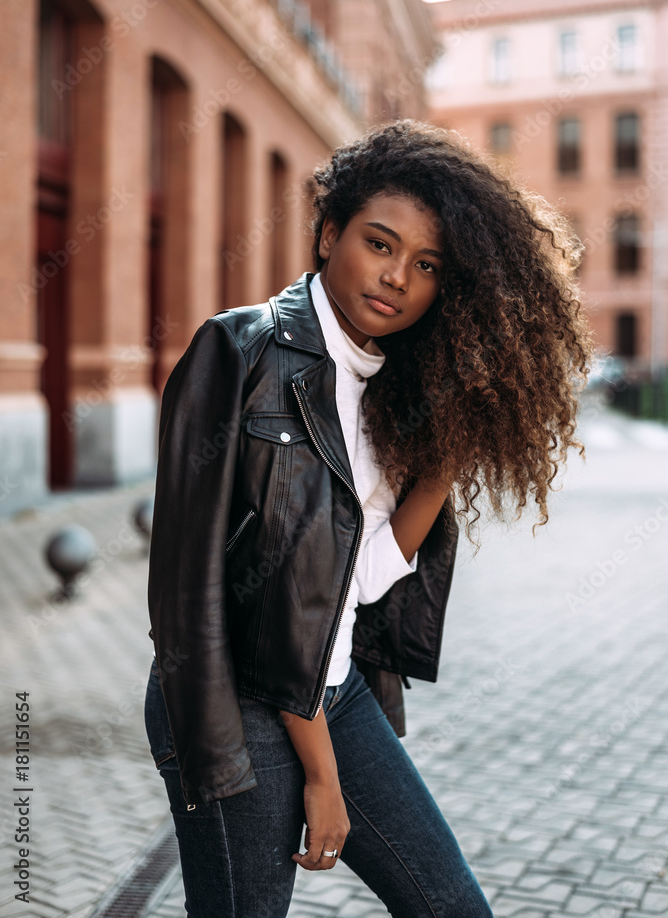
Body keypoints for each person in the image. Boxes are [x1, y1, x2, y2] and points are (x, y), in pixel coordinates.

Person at [144, 120, 593, 918]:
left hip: (333, 687)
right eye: (380, 244)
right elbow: (209, 588)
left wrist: (455, 442)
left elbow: (371, 571)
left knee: (452, 905)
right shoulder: (239, 353)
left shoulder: (404, 383)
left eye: (426, 266)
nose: (396, 279)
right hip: (236, 699)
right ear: (327, 233)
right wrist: (320, 775)